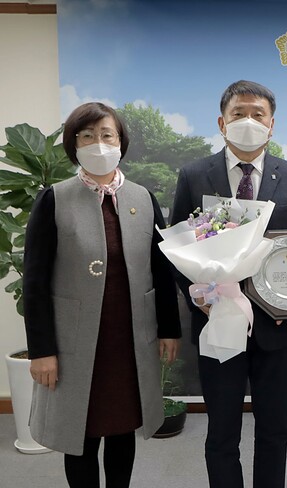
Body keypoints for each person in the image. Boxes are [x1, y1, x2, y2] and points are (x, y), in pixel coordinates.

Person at [23, 102, 181, 488]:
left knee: (122, 428)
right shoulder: (54, 198)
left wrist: (169, 329)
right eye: (87, 135)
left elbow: (161, 270)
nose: (99, 143)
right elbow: (35, 281)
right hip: (75, 344)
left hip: (129, 340)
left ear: (121, 142)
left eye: (107, 135)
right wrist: (41, 351)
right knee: (82, 433)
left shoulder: (143, 199)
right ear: (73, 144)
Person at [169, 80, 287, 488]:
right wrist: (196, 296)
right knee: (221, 432)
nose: (248, 121)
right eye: (238, 113)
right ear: (222, 122)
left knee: (274, 429)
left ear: (272, 125)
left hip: (277, 326)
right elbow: (176, 245)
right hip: (217, 321)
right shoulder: (194, 175)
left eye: (258, 114)